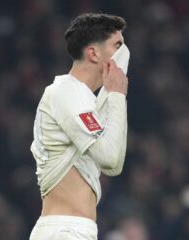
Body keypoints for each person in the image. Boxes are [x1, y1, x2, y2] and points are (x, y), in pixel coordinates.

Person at [29, 13, 130, 240]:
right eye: (118, 46)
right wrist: (115, 95)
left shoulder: (86, 102)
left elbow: (114, 167)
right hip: (63, 230)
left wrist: (115, 96)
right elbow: (109, 158)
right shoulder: (66, 92)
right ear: (93, 53)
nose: (125, 54)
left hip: (75, 230)